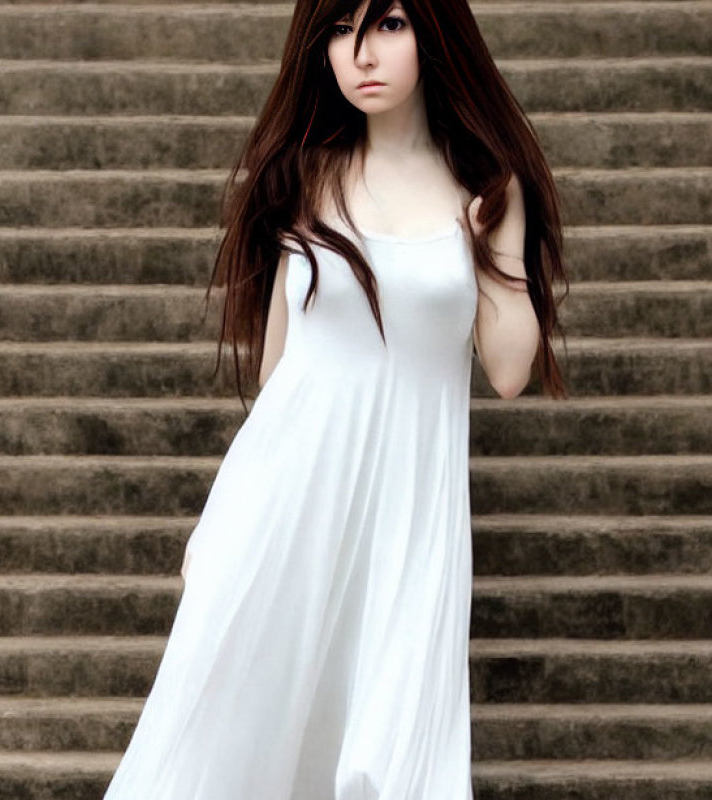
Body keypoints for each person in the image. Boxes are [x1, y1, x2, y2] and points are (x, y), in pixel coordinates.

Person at [101, 0, 566, 795]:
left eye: (387, 25)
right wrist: (222, 520)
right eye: (338, 32)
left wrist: (491, 248)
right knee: (229, 733)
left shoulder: (485, 192)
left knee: (387, 747)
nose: (361, 54)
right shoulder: (304, 179)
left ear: (434, 33)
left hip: (408, 515)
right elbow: (279, 376)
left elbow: (510, 370)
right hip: (287, 504)